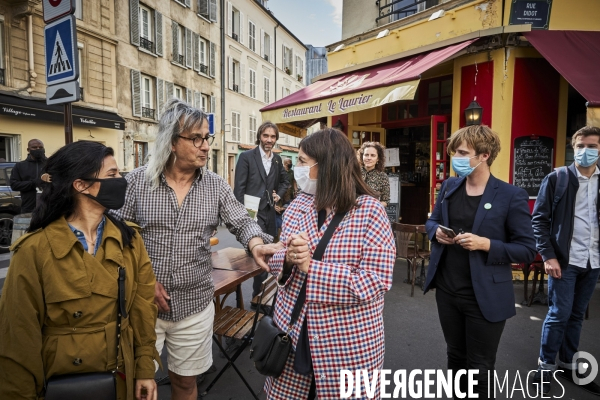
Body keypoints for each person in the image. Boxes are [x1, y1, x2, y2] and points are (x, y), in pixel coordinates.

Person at [113, 99, 279, 400]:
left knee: (186, 384)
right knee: (135, 387)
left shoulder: (215, 185)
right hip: (142, 307)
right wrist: (143, 282)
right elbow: (115, 238)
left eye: (207, 138)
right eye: (196, 138)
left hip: (195, 305)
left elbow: (242, 221)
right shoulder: (137, 183)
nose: (205, 146)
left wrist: (256, 243)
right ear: (172, 142)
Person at [0, 141, 159, 400]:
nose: (122, 180)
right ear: (81, 185)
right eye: (112, 174)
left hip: (121, 377)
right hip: (63, 382)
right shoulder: (35, 250)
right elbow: (17, 339)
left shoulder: (130, 239)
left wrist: (144, 369)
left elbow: (143, 310)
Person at [264, 128, 396, 399]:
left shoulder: (371, 212)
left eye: (301, 161)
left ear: (326, 165)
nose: (296, 168)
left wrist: (312, 267)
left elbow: (376, 280)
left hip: (346, 341)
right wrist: (288, 259)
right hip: (291, 330)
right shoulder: (298, 204)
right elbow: (278, 259)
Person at [424, 125, 536, 398]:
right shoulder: (450, 186)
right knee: (455, 358)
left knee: (480, 367)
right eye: (454, 152)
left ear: (484, 155)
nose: (456, 158)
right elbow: (432, 221)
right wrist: (436, 232)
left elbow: (527, 250)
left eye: (463, 153)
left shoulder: (510, 195)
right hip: (448, 291)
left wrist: (486, 244)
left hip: (484, 295)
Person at [531, 126, 600, 396]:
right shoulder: (558, 178)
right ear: (574, 147)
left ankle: (568, 364)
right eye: (581, 146)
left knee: (576, 316)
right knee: (558, 314)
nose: (586, 151)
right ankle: (545, 368)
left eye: (593, 146)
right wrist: (548, 256)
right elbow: (539, 220)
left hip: (593, 260)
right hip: (565, 260)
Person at [234, 121, 289, 298]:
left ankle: (261, 296)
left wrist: (278, 195)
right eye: (266, 135)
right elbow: (239, 189)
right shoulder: (246, 157)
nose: (269, 140)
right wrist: (241, 216)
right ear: (259, 136)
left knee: (268, 255)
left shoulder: (277, 159)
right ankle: (258, 296)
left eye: (273, 136)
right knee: (256, 254)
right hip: (252, 214)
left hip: (270, 213)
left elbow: (285, 182)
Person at [10, 138, 47, 213]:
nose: (38, 149)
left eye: (40, 147)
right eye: (34, 147)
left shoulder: (51, 164)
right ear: (28, 149)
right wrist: (33, 183)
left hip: (48, 207)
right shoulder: (20, 166)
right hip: (28, 208)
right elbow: (14, 185)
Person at [357, 141, 390, 207]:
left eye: (373, 155)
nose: (369, 158)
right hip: (354, 211)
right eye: (366, 155)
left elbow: (385, 201)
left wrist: (373, 207)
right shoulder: (355, 173)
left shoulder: (382, 176)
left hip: (372, 213)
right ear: (362, 156)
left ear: (378, 159)